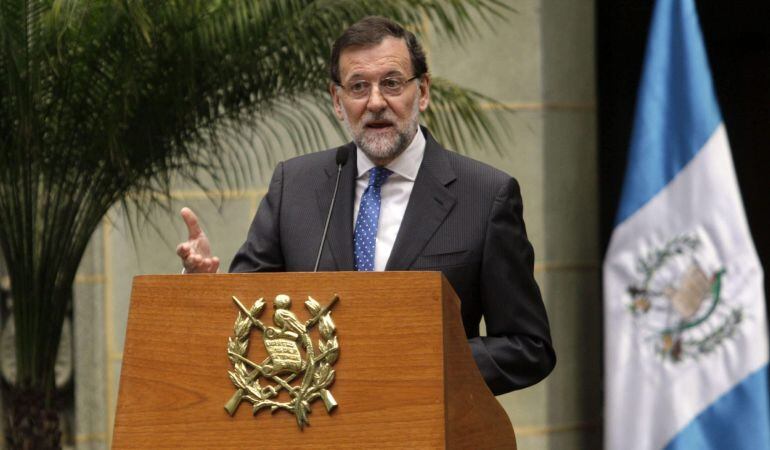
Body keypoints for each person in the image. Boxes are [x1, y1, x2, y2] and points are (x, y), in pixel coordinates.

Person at [176, 16, 555, 395]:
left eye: (391, 83)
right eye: (358, 87)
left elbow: (528, 347)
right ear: (337, 101)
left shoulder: (486, 196)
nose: (375, 102)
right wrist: (202, 290)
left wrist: (419, 364)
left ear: (422, 91)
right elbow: (248, 319)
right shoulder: (294, 186)